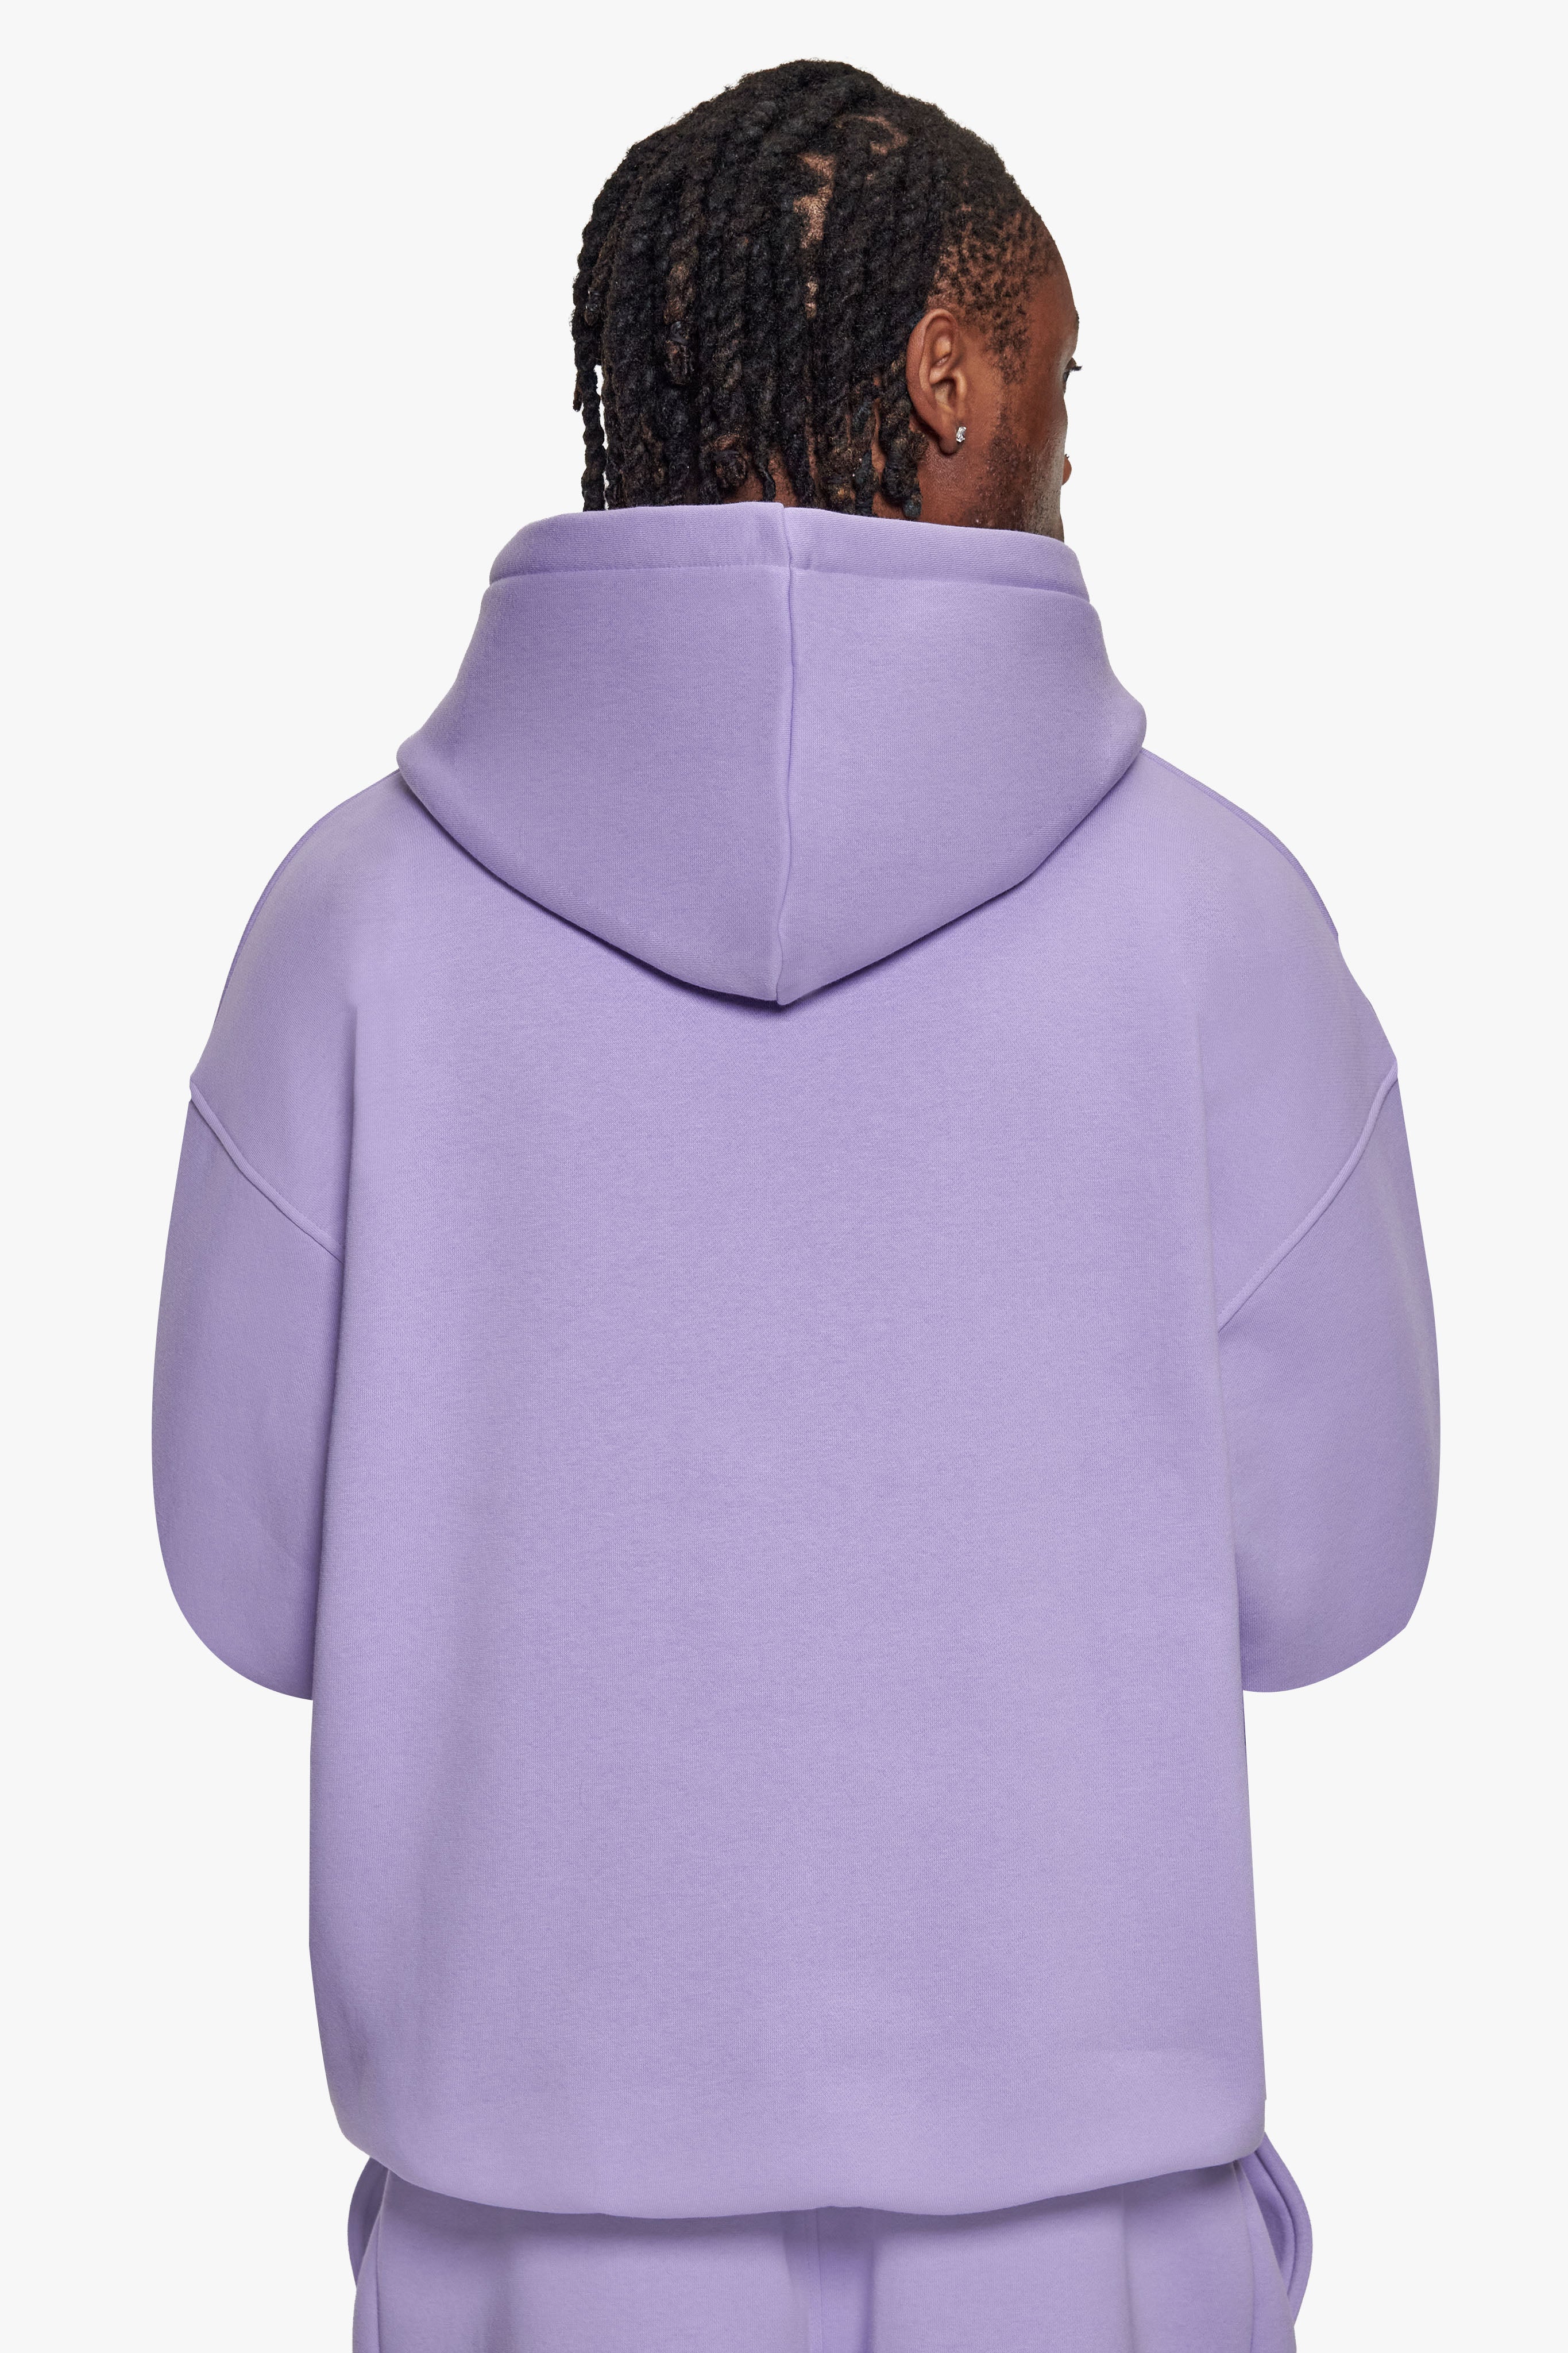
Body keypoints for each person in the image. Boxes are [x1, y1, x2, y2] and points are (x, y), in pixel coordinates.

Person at [152, 59, 1438, 2352]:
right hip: (1083, 2242)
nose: (1066, 442)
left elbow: (249, 1585)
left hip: (526, 2244)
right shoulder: (1216, 920)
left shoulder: (351, 927)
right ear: (949, 377)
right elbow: (1330, 1582)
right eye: (1055, 378)